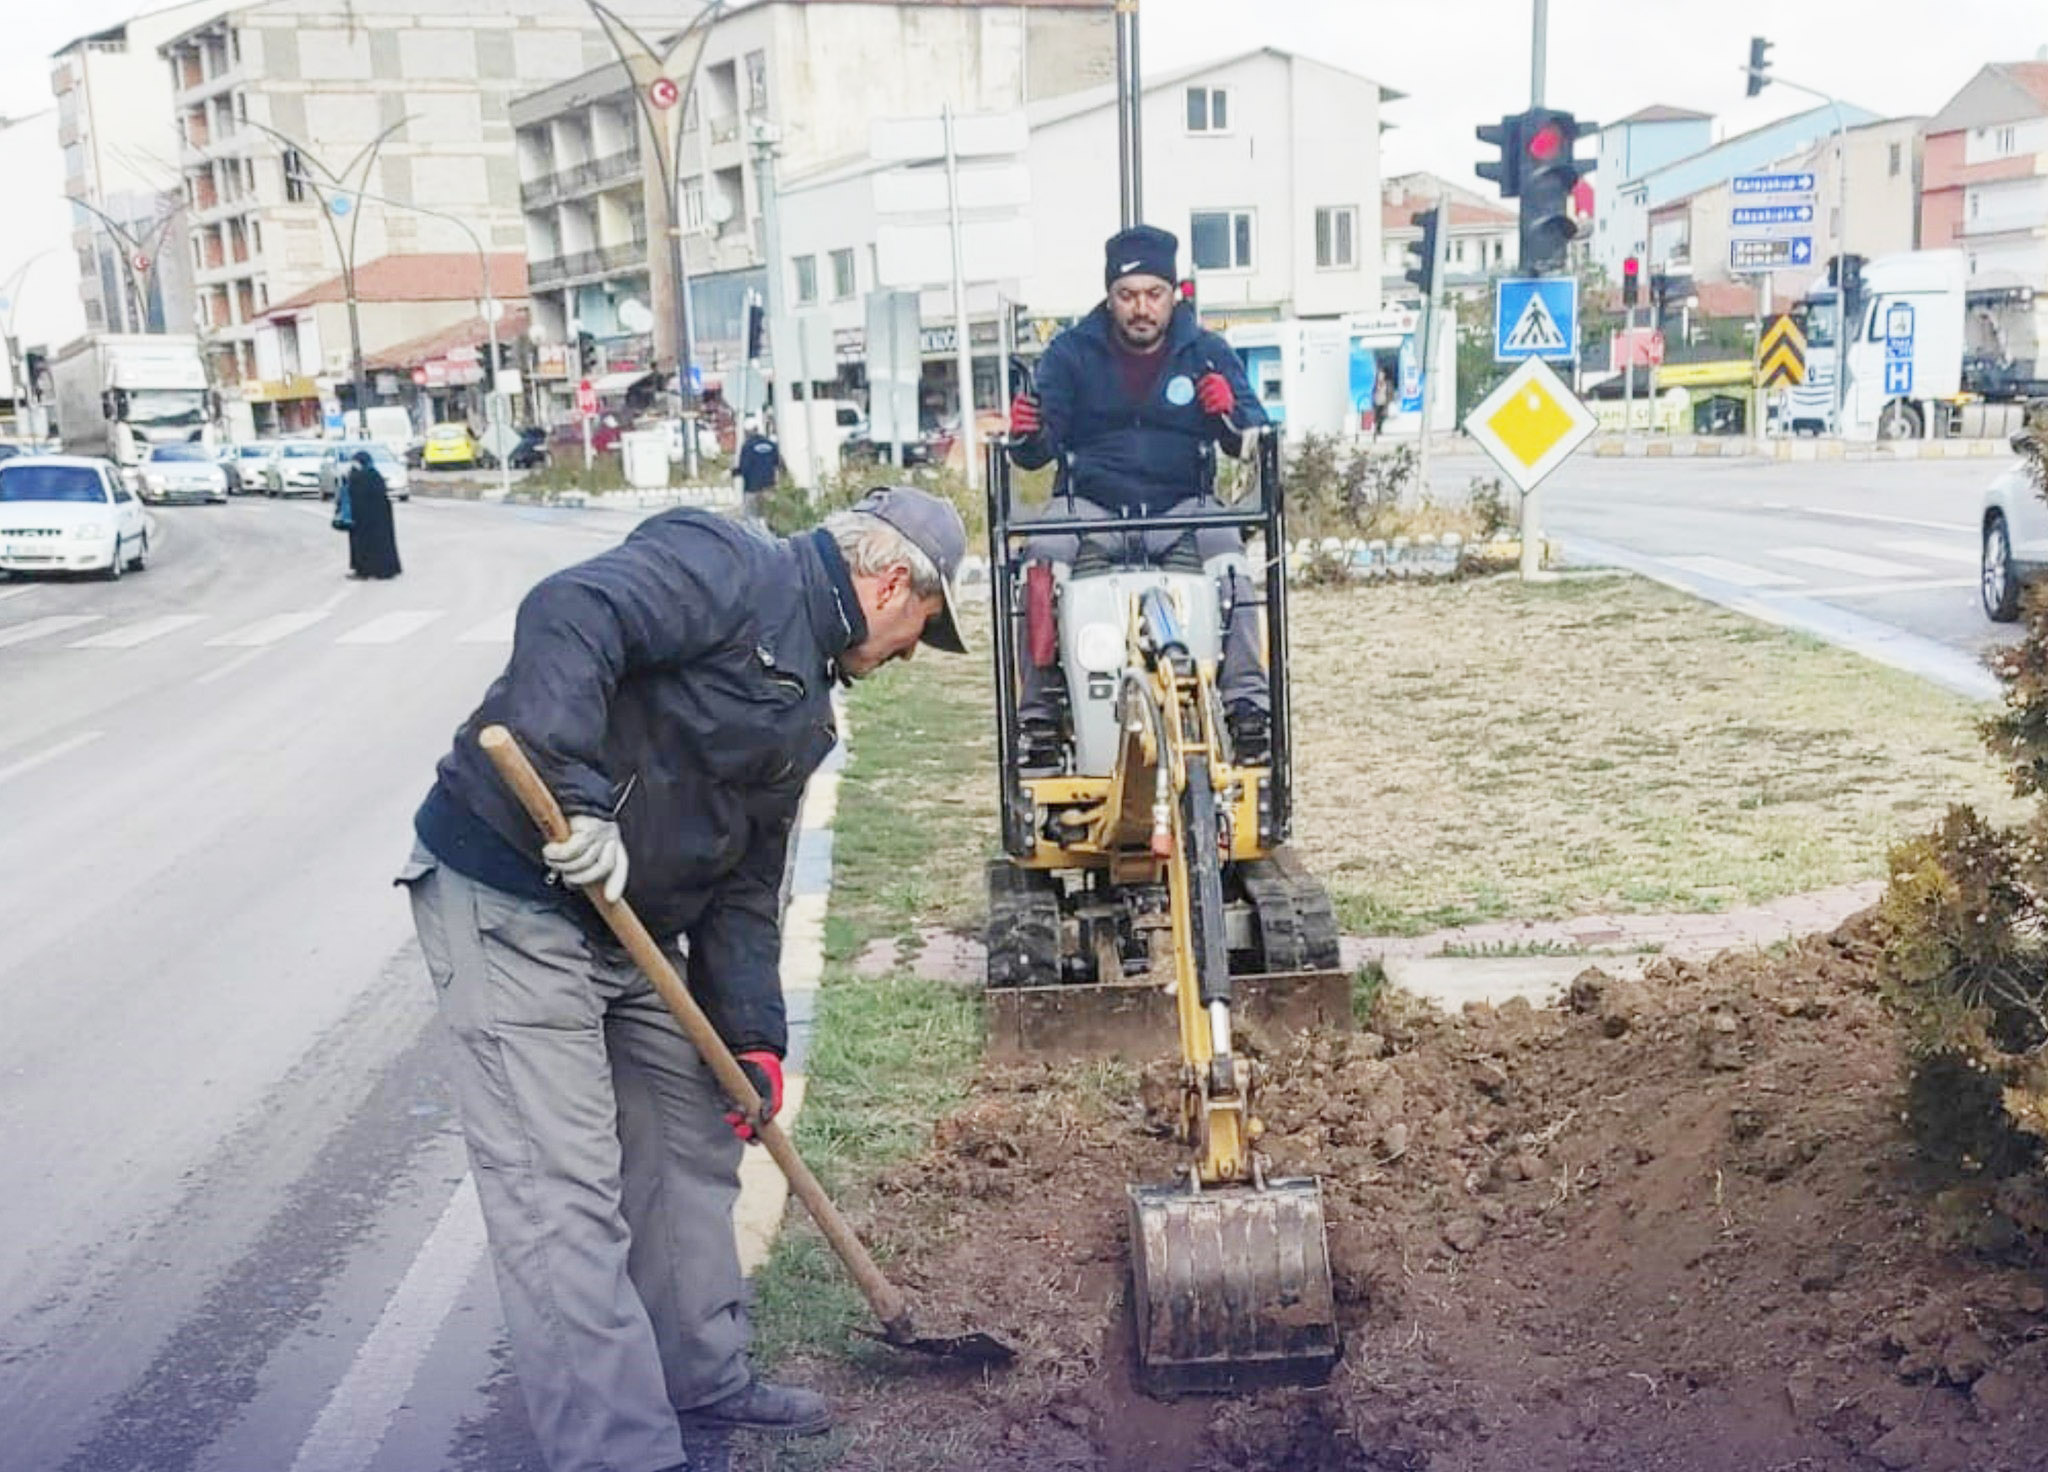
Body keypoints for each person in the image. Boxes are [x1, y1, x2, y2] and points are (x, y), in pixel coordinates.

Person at [396, 486, 969, 1472]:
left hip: (633, 924)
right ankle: (621, 1450)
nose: (914, 649)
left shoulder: (806, 716)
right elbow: (569, 613)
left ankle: (696, 1374)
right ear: (889, 586)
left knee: (691, 1128)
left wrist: (752, 1034)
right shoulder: (723, 563)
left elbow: (745, 885)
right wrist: (574, 802)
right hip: (512, 889)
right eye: (925, 624)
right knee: (561, 1192)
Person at [1006, 224, 1272, 767]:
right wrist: (1028, 432)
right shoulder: (1070, 353)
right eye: (1127, 296)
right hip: (1089, 508)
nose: (1141, 308)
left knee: (1231, 561)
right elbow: (1033, 453)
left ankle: (1248, 710)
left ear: (1174, 293)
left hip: (1184, 505)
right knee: (1039, 559)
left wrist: (1229, 415)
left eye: (1154, 294)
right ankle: (1038, 720)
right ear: (1110, 296)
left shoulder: (1207, 352)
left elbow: (1254, 436)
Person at [343, 450, 401, 580]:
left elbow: (353, 495)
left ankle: (363, 570)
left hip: (361, 518)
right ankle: (383, 569)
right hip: (380, 517)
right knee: (382, 543)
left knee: (362, 544)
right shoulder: (375, 475)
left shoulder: (357, 476)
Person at [732, 418, 783, 524]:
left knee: (751, 518)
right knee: (770, 517)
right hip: (769, 487)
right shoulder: (771, 444)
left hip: (752, 489)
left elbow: (744, 467)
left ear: (747, 431)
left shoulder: (747, 446)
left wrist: (735, 472)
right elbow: (779, 464)